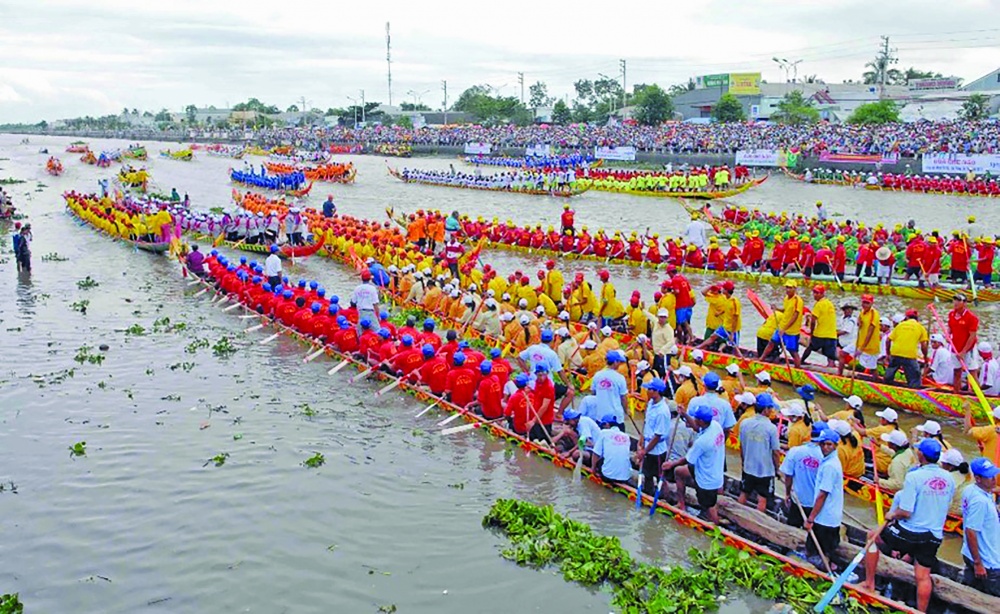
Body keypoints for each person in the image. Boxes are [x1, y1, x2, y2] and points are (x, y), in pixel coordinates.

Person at [863, 439, 955, 612]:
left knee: (872, 537)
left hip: (911, 532)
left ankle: (869, 583)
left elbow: (906, 512)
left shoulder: (914, 477)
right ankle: (920, 611)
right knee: (923, 576)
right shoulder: (949, 478)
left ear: (921, 455)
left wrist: (892, 514)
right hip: (933, 536)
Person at [662, 405, 725, 523]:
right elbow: (696, 427)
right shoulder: (715, 426)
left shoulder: (703, 442)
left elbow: (688, 459)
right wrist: (685, 414)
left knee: (709, 506)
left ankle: (715, 526)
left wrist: (671, 464)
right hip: (706, 467)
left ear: (701, 420)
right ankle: (681, 504)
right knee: (679, 472)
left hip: (707, 478)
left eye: (695, 418)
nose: (694, 419)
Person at [803, 429, 844, 570]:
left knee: (819, 550)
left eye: (829, 444)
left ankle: (827, 569)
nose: (825, 447)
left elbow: (822, 495)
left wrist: (810, 518)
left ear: (835, 445)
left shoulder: (830, 467)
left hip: (825, 518)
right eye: (822, 444)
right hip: (827, 516)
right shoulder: (829, 462)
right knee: (823, 548)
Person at [961, 457, 1000, 596]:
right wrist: (978, 563)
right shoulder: (980, 501)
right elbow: (970, 530)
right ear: (978, 478)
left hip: (970, 554)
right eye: (989, 477)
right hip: (987, 561)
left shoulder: (970, 490)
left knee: (970, 592)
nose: (994, 480)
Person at [737, 393, 780, 512]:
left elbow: (741, 446)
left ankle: (738, 515)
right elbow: (776, 452)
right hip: (765, 471)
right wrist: (777, 470)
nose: (771, 410)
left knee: (744, 493)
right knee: (762, 499)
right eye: (770, 408)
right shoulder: (771, 428)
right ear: (766, 409)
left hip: (748, 467)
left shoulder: (744, 423)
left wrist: (743, 462)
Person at [781, 425, 824, 528]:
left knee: (793, 527)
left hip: (798, 499)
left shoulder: (795, 451)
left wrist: (787, 493)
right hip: (816, 504)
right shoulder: (826, 457)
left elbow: (788, 476)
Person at [636, 378, 672, 496]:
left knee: (659, 475)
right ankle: (648, 493)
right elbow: (646, 423)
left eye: (649, 389)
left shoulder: (662, 411)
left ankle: (666, 497)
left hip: (657, 450)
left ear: (656, 392)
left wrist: (645, 451)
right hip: (647, 444)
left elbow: (657, 436)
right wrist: (640, 442)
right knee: (647, 474)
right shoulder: (651, 404)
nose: (647, 391)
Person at [884, 308, 929, 388]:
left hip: (896, 352)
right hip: (909, 355)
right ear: (917, 318)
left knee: (890, 371)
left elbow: (888, 340)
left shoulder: (900, 325)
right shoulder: (920, 327)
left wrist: (888, 354)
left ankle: (886, 385)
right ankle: (913, 390)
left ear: (906, 317)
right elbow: (924, 345)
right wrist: (925, 358)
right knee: (915, 377)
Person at [948, 293, 980, 394]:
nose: (955, 303)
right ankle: (956, 394)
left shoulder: (971, 318)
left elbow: (972, 336)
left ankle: (977, 396)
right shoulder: (951, 314)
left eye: (958, 300)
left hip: (968, 349)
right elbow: (950, 328)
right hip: (955, 348)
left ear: (965, 303)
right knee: (957, 372)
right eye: (954, 300)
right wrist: (948, 335)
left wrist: (963, 351)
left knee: (972, 373)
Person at [590, 351, 629, 430]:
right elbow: (623, 398)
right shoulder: (620, 378)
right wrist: (626, 410)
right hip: (616, 417)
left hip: (600, 415)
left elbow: (593, 393)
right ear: (615, 362)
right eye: (619, 362)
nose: (619, 364)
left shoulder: (597, 375)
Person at [591, 414, 633, 485]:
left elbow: (596, 454)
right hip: (625, 477)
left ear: (607, 424)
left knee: (600, 460)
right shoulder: (626, 436)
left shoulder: (604, 433)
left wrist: (593, 469)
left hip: (608, 476)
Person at [350, 270, 382, 334]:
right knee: (378, 331)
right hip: (370, 312)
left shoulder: (357, 288)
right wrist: (378, 316)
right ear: (370, 278)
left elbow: (353, 302)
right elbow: (375, 304)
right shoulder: (372, 288)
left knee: (360, 332)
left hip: (361, 312)